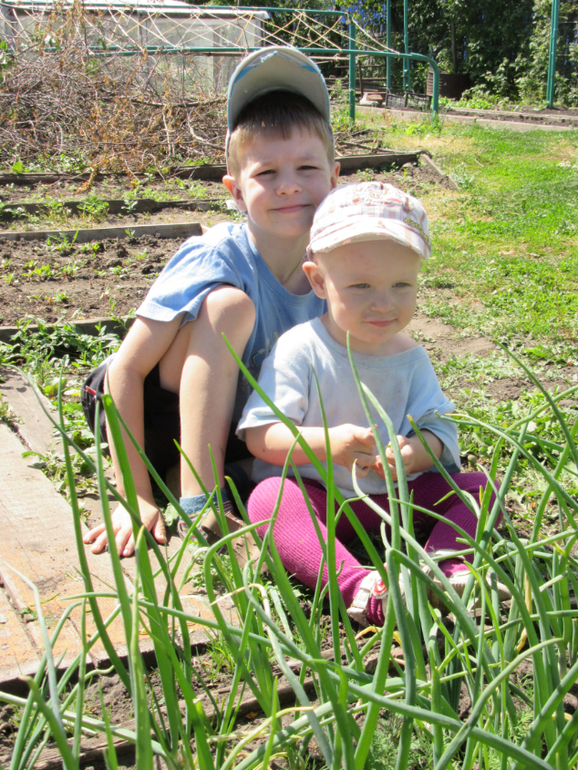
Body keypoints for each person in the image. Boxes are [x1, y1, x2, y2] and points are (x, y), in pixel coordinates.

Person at [81, 46, 339, 557]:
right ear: (236, 191)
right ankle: (199, 499)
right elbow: (125, 371)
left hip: (236, 423)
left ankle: (199, 472)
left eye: (307, 166)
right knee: (229, 308)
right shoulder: (218, 253)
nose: (289, 186)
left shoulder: (334, 267)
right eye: (266, 173)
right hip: (145, 408)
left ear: (334, 177)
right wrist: (134, 498)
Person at [237, 182, 505, 627]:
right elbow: (261, 436)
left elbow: (440, 428)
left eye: (401, 285)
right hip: (321, 497)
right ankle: (361, 589)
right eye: (361, 286)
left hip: (396, 497)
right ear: (319, 281)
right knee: (269, 498)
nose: (384, 303)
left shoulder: (411, 357)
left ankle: (445, 568)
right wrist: (329, 444)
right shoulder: (301, 349)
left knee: (480, 488)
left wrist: (415, 451)